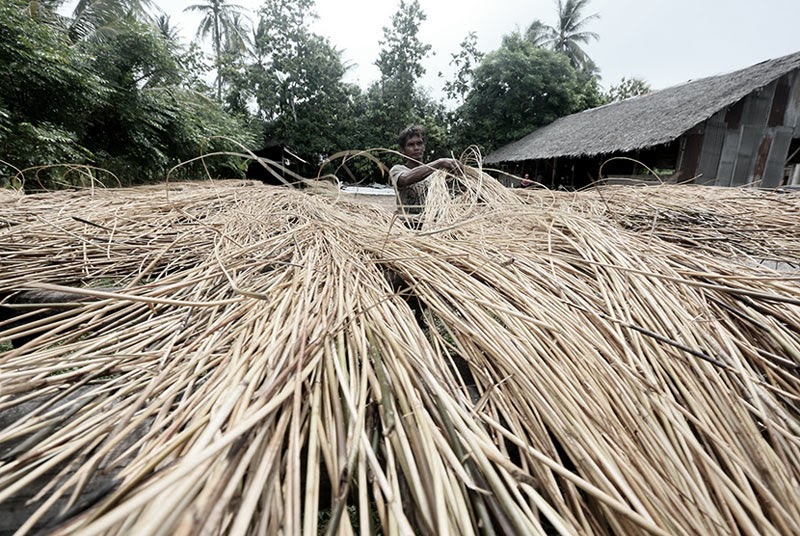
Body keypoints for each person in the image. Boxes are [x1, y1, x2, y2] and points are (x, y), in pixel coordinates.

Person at [390, 125, 461, 222]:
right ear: (402, 150)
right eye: (410, 145)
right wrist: (439, 162)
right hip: (407, 226)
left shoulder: (436, 174)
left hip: (431, 225)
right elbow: (406, 179)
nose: (416, 148)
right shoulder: (397, 170)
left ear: (424, 147)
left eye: (419, 143)